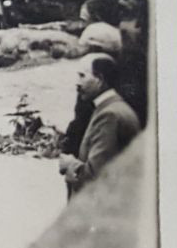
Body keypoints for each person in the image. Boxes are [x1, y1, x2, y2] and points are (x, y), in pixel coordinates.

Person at [58, 54, 142, 198]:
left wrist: (69, 164)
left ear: (100, 79)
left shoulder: (108, 115)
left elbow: (95, 176)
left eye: (82, 76)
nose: (77, 83)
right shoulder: (115, 107)